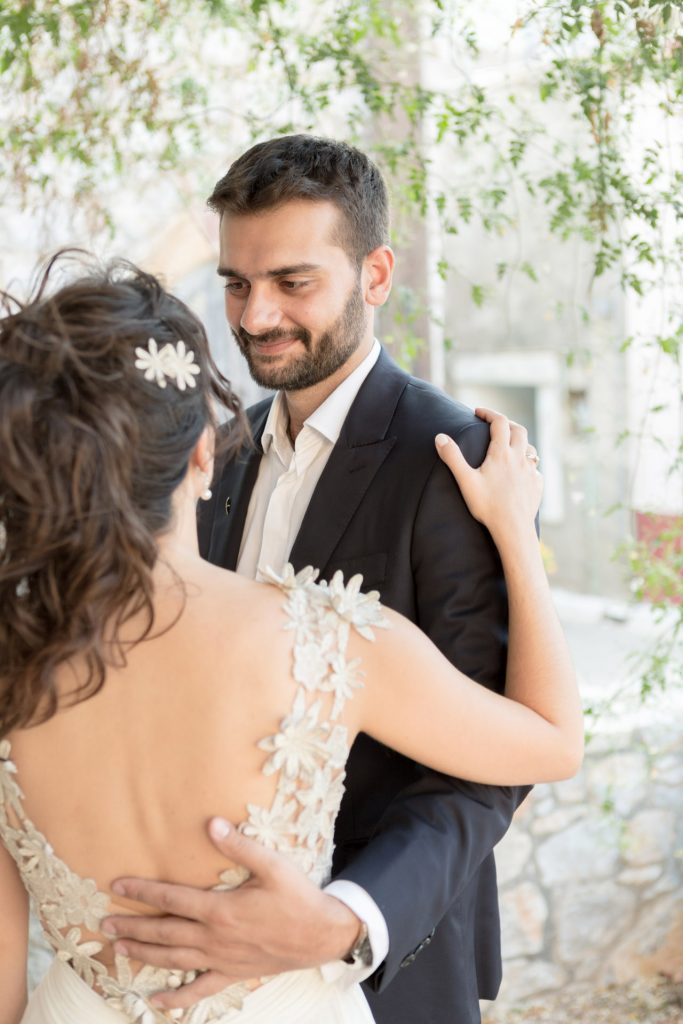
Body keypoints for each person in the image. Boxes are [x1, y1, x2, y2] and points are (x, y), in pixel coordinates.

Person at [0, 255, 582, 1024]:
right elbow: (551, 741)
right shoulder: (325, 640)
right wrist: (512, 528)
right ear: (203, 456)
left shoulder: (13, 659)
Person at [102, 136, 551, 1024]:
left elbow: (492, 763)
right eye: (234, 283)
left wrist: (343, 920)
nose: (255, 315)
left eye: (292, 283)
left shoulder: (455, 461)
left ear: (374, 275)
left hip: (379, 965)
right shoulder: (216, 456)